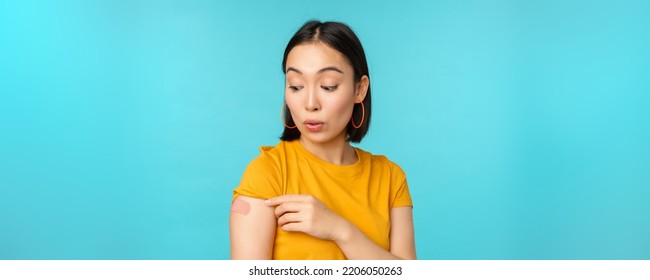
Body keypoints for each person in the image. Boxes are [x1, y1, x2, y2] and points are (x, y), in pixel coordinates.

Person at [230, 20, 416, 260]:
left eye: (328, 86)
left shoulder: (391, 178)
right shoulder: (268, 173)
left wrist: (340, 231)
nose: (310, 104)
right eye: (296, 87)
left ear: (359, 89)